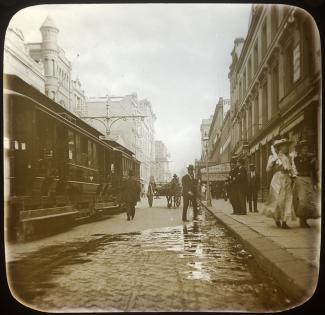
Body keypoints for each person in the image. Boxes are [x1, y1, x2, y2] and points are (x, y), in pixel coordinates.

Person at [261, 138, 295, 229]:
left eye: (287, 146)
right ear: (279, 147)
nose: (286, 148)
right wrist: (273, 161)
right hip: (277, 179)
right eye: (284, 146)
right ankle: (276, 218)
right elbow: (267, 169)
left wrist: (293, 175)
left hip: (287, 179)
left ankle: (284, 221)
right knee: (278, 200)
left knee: (288, 199)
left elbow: (292, 170)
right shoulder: (273, 157)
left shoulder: (289, 157)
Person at [292, 139, 320, 228]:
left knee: (309, 200)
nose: (306, 150)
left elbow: (314, 171)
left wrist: (315, 181)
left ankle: (304, 220)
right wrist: (308, 161)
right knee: (302, 200)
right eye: (304, 148)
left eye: (307, 148)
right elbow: (300, 167)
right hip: (300, 179)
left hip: (309, 179)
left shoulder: (311, 158)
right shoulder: (297, 158)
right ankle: (302, 219)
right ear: (300, 150)